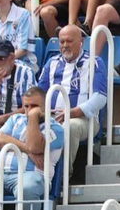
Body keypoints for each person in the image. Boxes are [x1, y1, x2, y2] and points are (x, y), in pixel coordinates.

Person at [35, 25, 109, 175]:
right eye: (62, 42)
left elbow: (100, 97)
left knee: (70, 127)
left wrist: (74, 112)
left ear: (81, 41)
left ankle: (62, 178)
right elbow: (38, 93)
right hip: (53, 117)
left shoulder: (94, 62)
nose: (65, 45)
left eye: (69, 41)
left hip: (84, 120)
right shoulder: (51, 63)